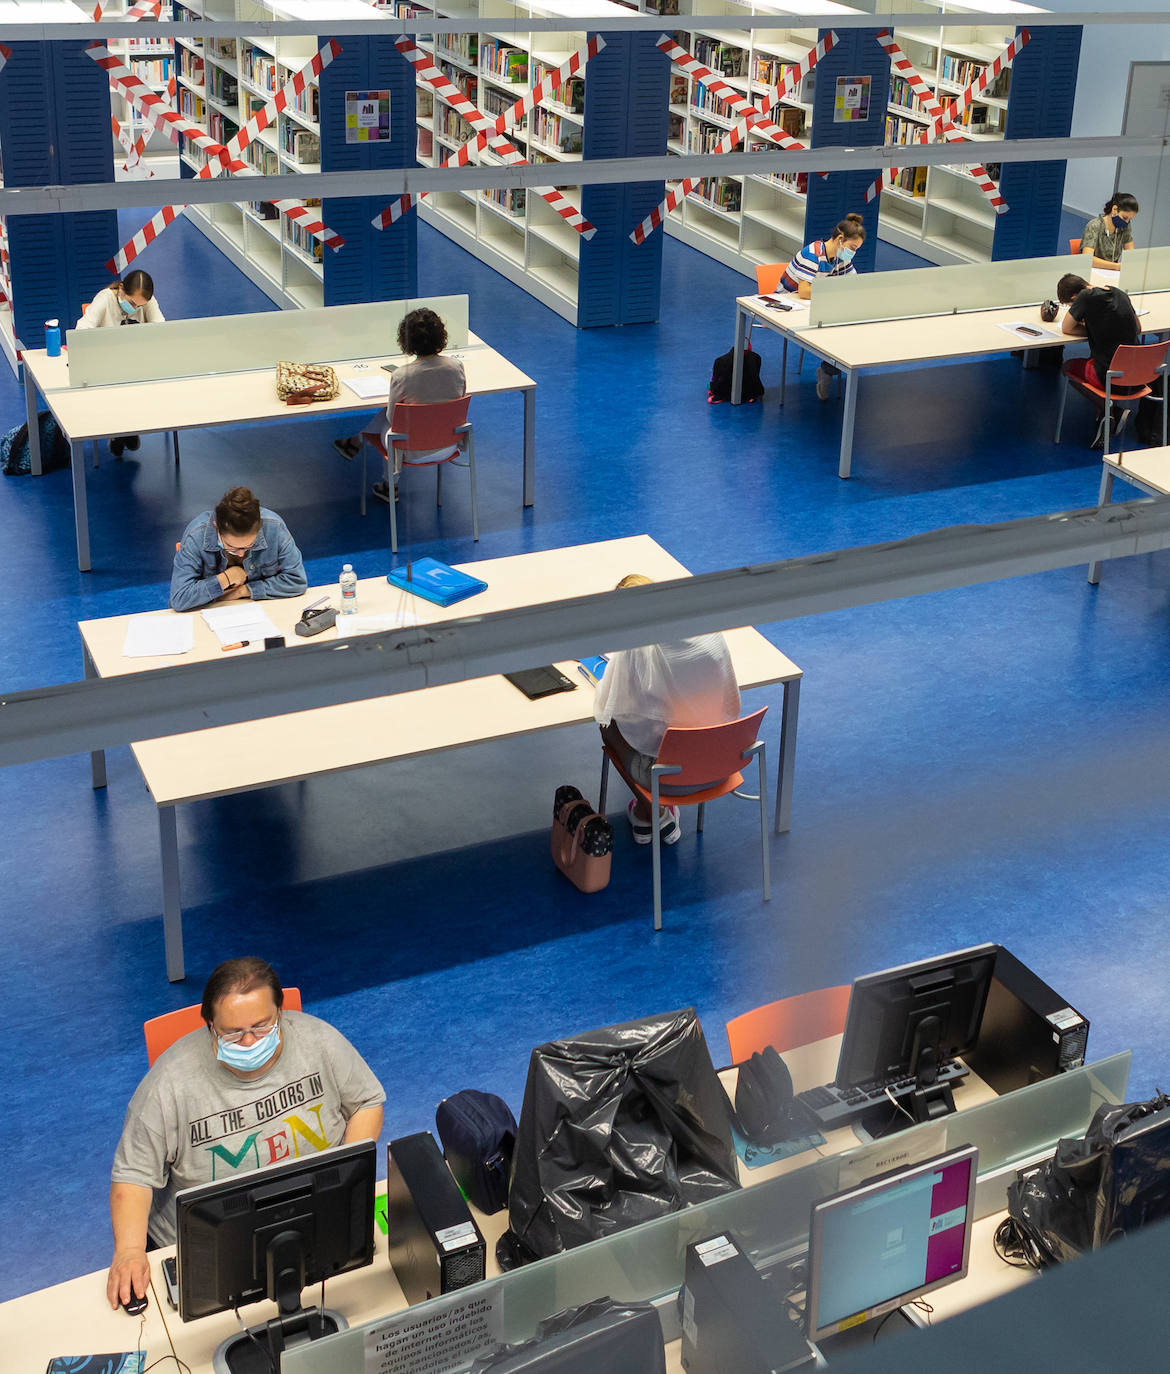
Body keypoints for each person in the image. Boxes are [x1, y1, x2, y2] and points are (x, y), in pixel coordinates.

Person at [106, 957, 385, 1311]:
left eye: (262, 1026)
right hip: (209, 1250)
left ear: (280, 1013)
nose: (250, 1041)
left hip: (312, 1220)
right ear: (210, 1025)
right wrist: (129, 1252)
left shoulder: (320, 1041)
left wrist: (344, 1176)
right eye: (233, 1033)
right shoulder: (167, 1085)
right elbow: (133, 1176)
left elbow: (366, 1103)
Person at [593, 574, 741, 845]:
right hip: (721, 763)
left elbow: (612, 704)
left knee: (607, 723)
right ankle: (652, 814)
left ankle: (651, 811)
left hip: (670, 778)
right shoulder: (709, 631)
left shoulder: (637, 647)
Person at [333, 307, 466, 505]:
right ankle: (355, 442)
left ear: (406, 341)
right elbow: (459, 399)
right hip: (449, 445)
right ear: (441, 336)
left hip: (410, 449)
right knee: (403, 419)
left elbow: (391, 417)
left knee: (391, 423)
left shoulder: (402, 375)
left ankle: (385, 479)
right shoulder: (457, 367)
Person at [170, 485, 307, 612]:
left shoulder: (274, 528)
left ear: (260, 528)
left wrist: (244, 590)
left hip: (258, 609)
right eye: (231, 547)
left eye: (249, 546)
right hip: (210, 612)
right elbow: (179, 598)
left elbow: (297, 581)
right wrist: (227, 578)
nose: (241, 554)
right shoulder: (196, 536)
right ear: (217, 527)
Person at [775, 213, 866, 400]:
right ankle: (827, 370)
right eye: (852, 248)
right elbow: (804, 292)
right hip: (789, 304)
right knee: (833, 329)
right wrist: (832, 293)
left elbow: (854, 282)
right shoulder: (813, 253)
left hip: (816, 304)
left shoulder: (841, 258)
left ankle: (827, 370)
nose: (853, 253)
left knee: (843, 327)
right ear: (841, 240)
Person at [75, 270, 166, 456]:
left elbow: (161, 329)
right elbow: (82, 329)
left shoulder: (147, 302)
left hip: (138, 366)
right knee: (117, 391)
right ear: (122, 290)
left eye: (141, 306)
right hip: (107, 368)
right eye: (132, 303)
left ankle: (129, 429)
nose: (136, 308)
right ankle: (119, 432)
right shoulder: (105, 299)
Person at [1056, 272, 1142, 442]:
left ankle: (1106, 407)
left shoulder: (1085, 297)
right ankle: (1108, 414)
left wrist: (1091, 329)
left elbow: (1066, 328)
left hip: (1110, 376)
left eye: (1069, 305)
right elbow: (1137, 328)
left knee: (1067, 367)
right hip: (1138, 375)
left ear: (1074, 297)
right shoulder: (1119, 293)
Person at [1080, 193, 1139, 273]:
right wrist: (1117, 266)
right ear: (1114, 209)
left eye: (1129, 219)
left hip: (1113, 272)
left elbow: (1131, 254)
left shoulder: (1125, 226)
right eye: (1125, 217)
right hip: (1093, 271)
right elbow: (1087, 259)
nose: (1127, 222)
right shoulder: (1094, 225)